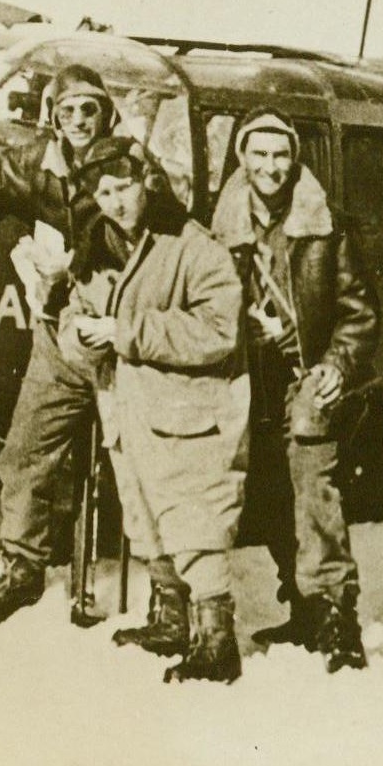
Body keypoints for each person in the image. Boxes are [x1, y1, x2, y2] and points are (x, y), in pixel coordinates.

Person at [0, 63, 182, 628]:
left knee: (147, 465)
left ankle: (170, 595)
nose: (80, 121)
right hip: (62, 336)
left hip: (122, 339)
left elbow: (167, 228)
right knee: (24, 454)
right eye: (68, 111)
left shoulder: (131, 165)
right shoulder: (38, 163)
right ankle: (22, 569)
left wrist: (93, 267)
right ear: (53, 119)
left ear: (106, 113)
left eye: (90, 109)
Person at [58, 137, 249, 683]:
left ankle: (217, 639)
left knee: (194, 521)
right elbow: (74, 315)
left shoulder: (192, 246)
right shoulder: (99, 251)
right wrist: (80, 339)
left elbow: (219, 330)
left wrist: (125, 332)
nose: (114, 203)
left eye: (122, 189)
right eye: (103, 193)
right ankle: (170, 617)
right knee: (145, 520)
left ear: (147, 182)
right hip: (128, 412)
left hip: (186, 415)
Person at [210, 107, 378, 673]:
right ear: (242, 158)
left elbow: (359, 314)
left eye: (281, 154)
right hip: (244, 375)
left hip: (303, 373)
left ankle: (335, 614)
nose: (271, 167)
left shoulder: (327, 223)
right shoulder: (219, 224)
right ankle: (299, 605)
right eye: (259, 154)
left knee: (312, 477)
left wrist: (335, 364)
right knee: (262, 488)